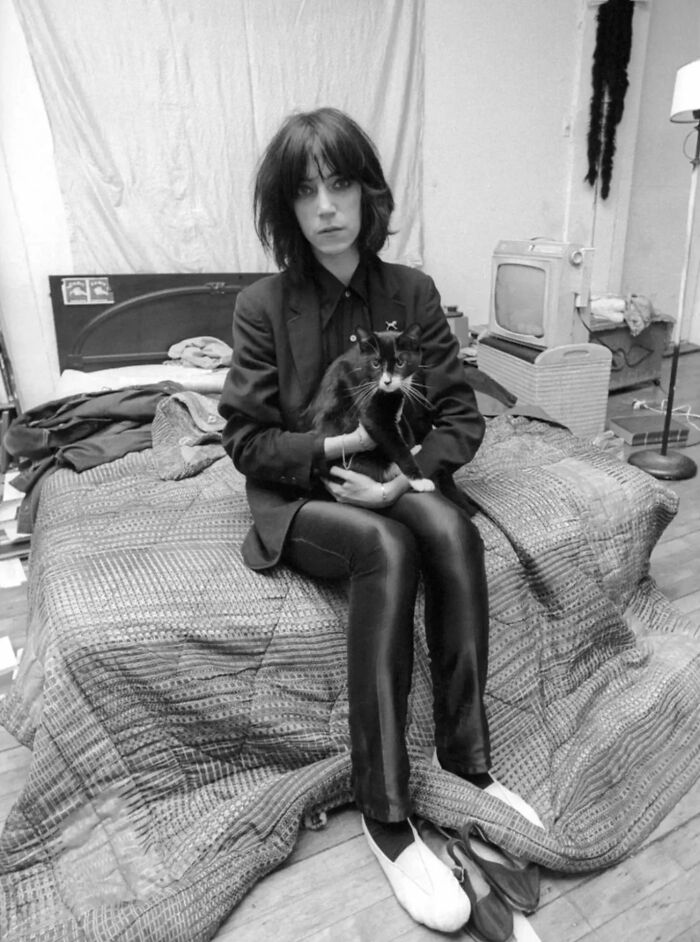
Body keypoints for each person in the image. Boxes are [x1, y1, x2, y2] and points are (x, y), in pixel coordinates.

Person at [219, 107, 542, 933]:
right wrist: (342, 446)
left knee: (450, 528)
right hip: (304, 490)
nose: (326, 206)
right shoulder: (262, 307)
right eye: (305, 191)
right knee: (385, 552)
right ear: (284, 210)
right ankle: (387, 813)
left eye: (340, 183)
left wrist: (403, 481)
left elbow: (460, 416)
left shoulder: (413, 292)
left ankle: (469, 765)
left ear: (368, 191)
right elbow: (248, 441)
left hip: (390, 478)